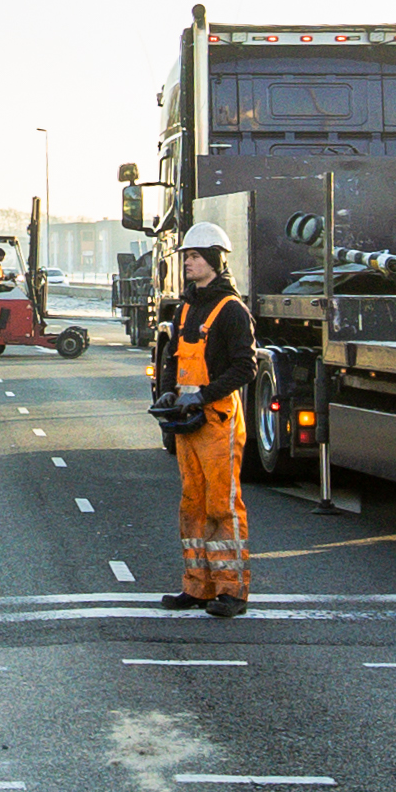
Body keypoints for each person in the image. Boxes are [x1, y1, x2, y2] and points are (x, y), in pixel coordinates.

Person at [149, 221, 256, 617]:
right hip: (188, 421)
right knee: (191, 504)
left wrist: (204, 395)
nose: (187, 263)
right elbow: (173, 357)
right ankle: (197, 588)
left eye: (194, 257)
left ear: (214, 259)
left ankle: (232, 592)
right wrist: (168, 390)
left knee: (221, 506)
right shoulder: (186, 308)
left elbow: (245, 368)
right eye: (186, 257)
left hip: (218, 422)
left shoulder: (232, 311)